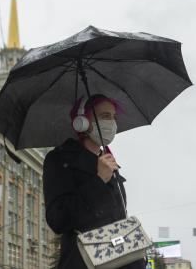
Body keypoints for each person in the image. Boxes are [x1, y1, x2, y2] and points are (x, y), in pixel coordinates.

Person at [43, 94, 146, 269]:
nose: (112, 123)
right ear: (82, 121)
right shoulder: (59, 159)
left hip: (123, 261)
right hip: (83, 261)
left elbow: (118, 219)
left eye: (114, 118)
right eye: (105, 116)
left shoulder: (111, 164)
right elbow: (58, 219)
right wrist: (98, 180)